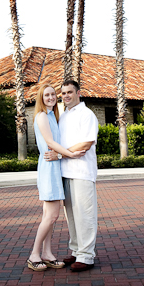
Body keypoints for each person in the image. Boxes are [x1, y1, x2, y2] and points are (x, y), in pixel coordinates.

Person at [28, 84, 86, 272]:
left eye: (54, 94)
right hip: (49, 169)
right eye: (47, 95)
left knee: (48, 216)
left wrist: (62, 155)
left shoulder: (53, 116)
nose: (51, 97)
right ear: (41, 98)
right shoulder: (42, 116)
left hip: (55, 167)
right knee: (52, 216)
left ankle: (47, 253)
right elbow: (50, 142)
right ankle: (34, 255)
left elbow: (56, 145)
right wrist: (70, 154)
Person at [44, 80, 99, 272]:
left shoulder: (87, 114)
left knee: (85, 215)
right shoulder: (64, 115)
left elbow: (86, 143)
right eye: (63, 93)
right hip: (65, 171)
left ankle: (87, 256)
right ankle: (76, 251)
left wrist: (60, 154)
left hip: (82, 171)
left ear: (78, 93)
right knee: (72, 216)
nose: (66, 96)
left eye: (69, 92)